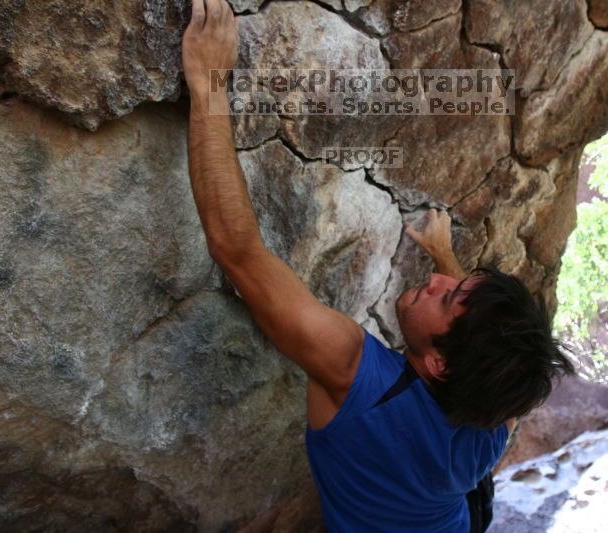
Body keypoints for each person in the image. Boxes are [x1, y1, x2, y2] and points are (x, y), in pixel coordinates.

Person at [181, 2, 577, 531]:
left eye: (445, 296)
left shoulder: (353, 375)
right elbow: (481, 346)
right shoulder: (492, 419)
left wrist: (209, 83)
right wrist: (444, 254)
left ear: (439, 365)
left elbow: (236, 248)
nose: (436, 280)